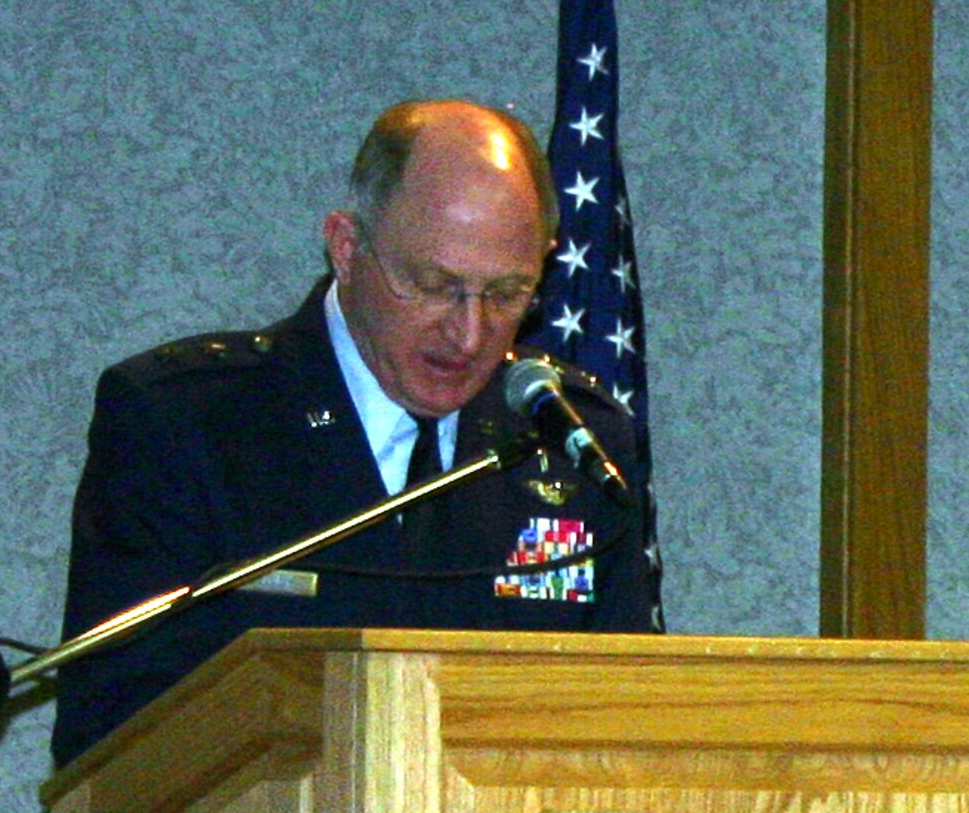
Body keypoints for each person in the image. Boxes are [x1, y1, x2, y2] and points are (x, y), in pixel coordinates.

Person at [53, 100, 655, 765]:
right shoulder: (190, 425)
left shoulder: (574, 446)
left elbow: (623, 730)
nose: (470, 332)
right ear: (347, 248)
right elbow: (110, 739)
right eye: (433, 285)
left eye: (509, 293)